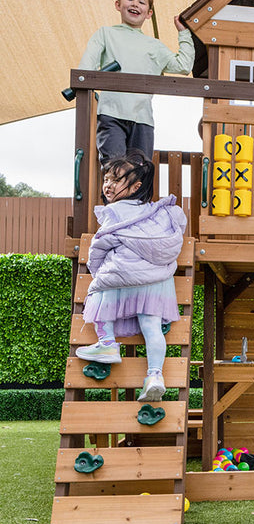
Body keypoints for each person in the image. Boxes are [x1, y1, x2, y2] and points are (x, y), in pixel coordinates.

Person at [76, 153, 186, 403]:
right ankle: (155, 376)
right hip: (158, 284)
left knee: (97, 292)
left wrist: (98, 272)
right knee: (152, 327)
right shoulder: (158, 214)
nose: (108, 185)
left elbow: (99, 246)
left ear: (136, 187)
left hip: (121, 281)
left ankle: (107, 343)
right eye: (107, 179)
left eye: (116, 180)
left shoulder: (112, 211)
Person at [79, 0, 194, 164]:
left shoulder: (154, 46)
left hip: (142, 119)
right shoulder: (106, 34)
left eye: (141, 2)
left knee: (140, 173)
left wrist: (183, 33)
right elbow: (85, 69)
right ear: (118, 4)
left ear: (148, 13)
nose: (135, 4)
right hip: (111, 114)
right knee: (116, 168)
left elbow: (183, 65)